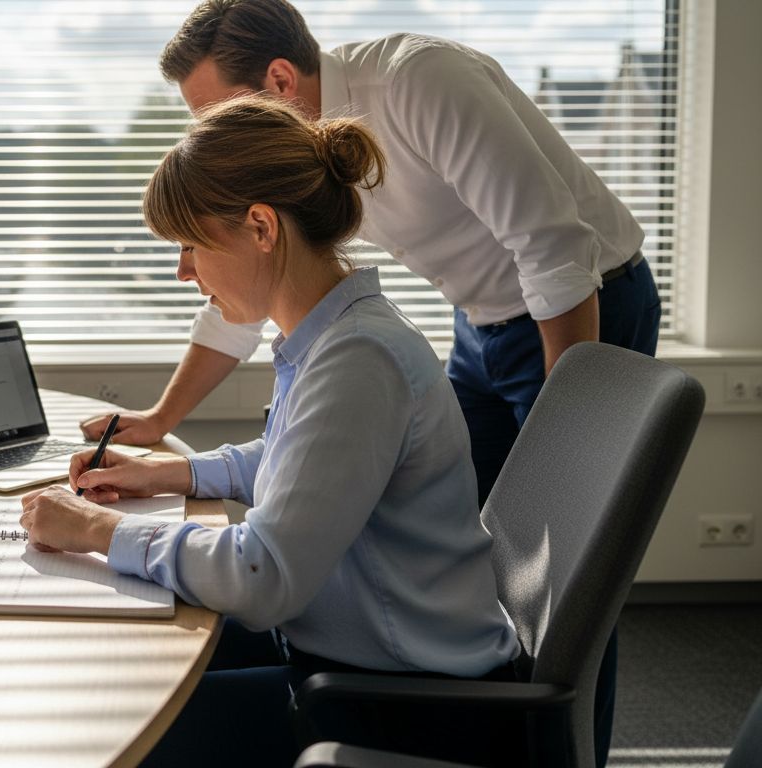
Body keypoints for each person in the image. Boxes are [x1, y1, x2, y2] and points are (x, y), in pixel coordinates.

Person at [77, 5, 659, 760]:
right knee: (467, 544)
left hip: (582, 301)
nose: (223, 136)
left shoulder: (420, 84)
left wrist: (564, 442)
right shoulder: (323, 318)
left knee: (569, 564)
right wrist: (163, 431)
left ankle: (557, 740)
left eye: (226, 113)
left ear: (280, 80)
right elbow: (285, 404)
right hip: (482, 318)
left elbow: (553, 252)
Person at [23, 95, 520, 767]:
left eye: (191, 245)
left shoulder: (358, 358)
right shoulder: (334, 335)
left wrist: (91, 529)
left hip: (403, 707)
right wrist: (176, 472)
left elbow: (261, 575)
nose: (184, 272)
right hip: (351, 657)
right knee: (111, 670)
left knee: (106, 731)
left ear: (261, 227)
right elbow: (305, 465)